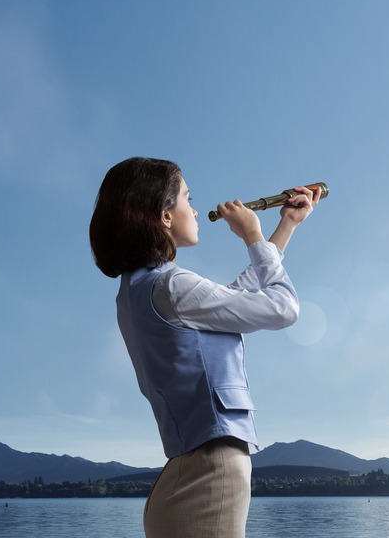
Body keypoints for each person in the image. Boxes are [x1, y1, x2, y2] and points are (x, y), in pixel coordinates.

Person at [89, 157, 319, 537]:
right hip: (211, 472)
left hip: (183, 476)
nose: (195, 210)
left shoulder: (139, 291)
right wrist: (252, 237)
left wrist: (286, 226)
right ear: (164, 216)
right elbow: (284, 308)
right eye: (186, 198)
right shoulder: (172, 286)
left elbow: (231, 298)